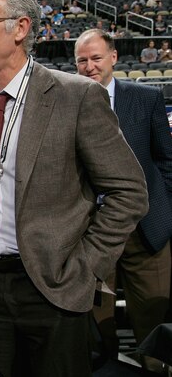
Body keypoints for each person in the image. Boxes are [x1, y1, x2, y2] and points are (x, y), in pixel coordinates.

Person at [0, 0, 148, 377]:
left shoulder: (76, 96)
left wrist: (86, 267)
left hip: (52, 286)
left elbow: (129, 192)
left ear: (20, 28)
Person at [75, 29, 172, 373]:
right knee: (96, 327)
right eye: (82, 60)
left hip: (147, 231)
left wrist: (164, 208)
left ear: (113, 58)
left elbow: (165, 159)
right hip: (95, 234)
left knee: (153, 322)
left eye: (96, 58)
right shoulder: (68, 102)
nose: (89, 66)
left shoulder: (146, 98)